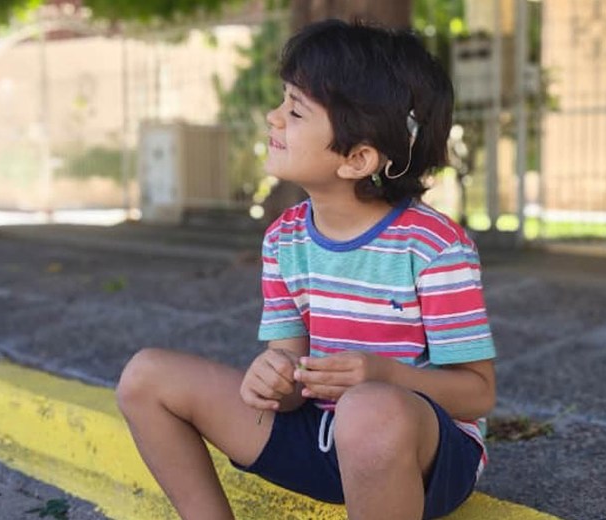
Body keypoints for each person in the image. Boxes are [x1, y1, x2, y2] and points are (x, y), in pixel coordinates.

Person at [116, 19, 496, 520]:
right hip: (321, 435)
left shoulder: (434, 247)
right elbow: (293, 384)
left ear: (357, 158)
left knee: (366, 411)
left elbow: (477, 393)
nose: (274, 118)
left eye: (295, 110)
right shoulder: (285, 239)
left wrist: (381, 375)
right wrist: (273, 379)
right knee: (146, 377)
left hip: (422, 456)